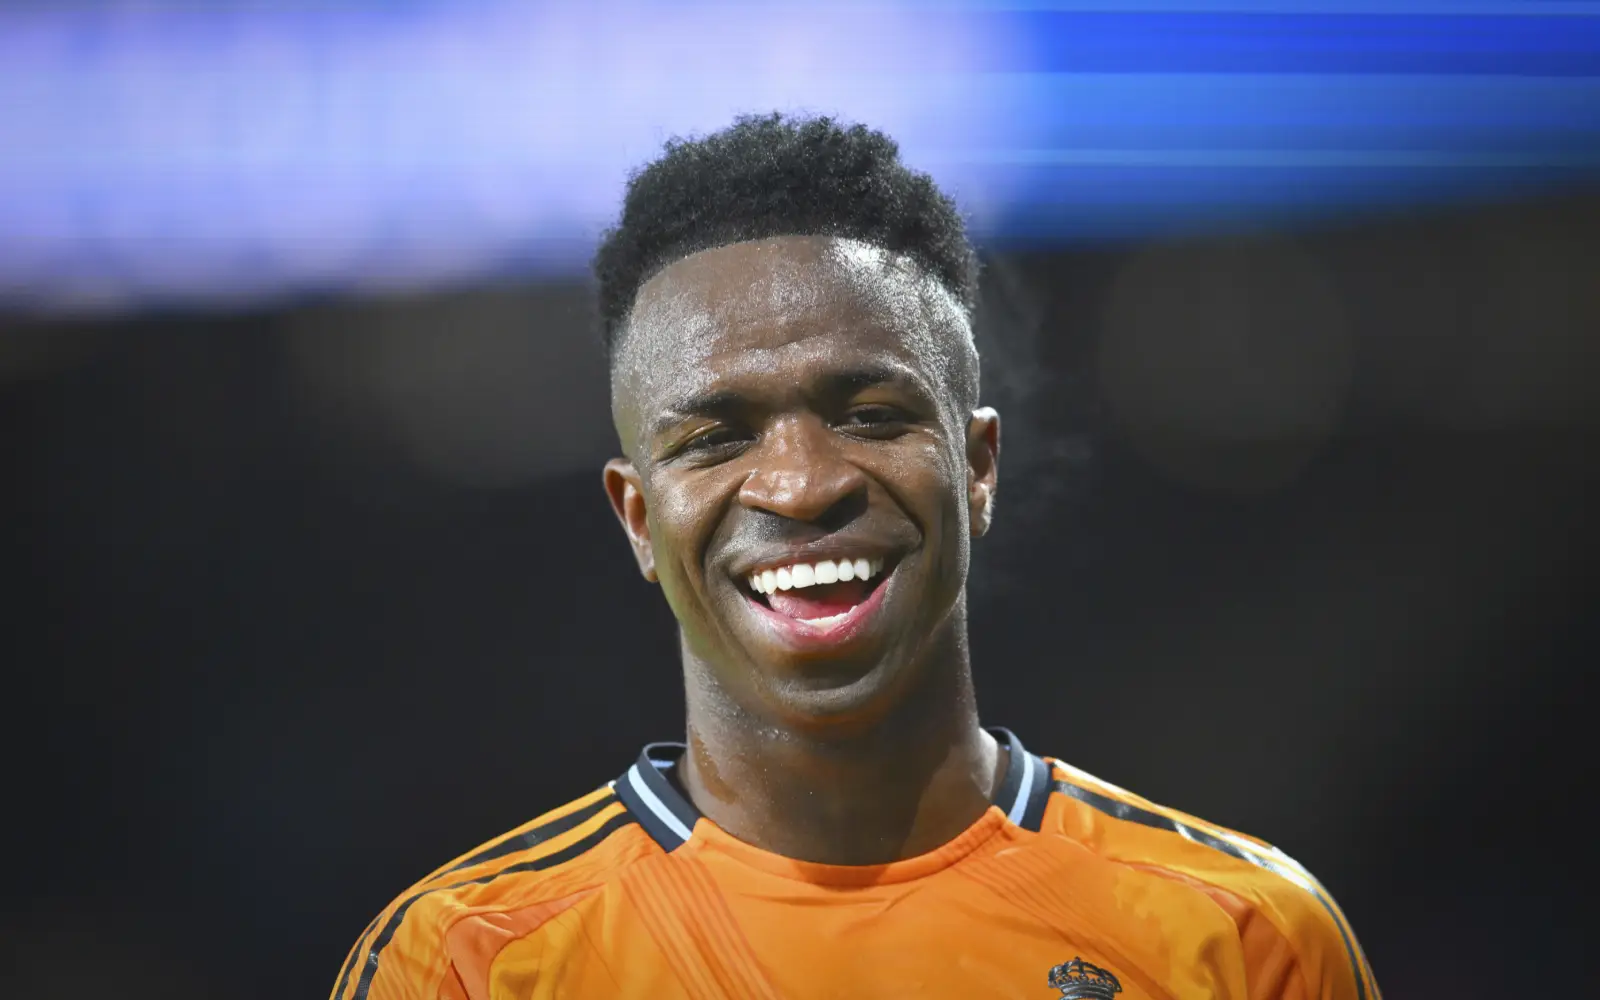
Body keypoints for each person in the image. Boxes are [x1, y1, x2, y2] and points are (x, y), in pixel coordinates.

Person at [330, 113, 1380, 1000]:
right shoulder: (470, 963)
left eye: (870, 414)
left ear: (977, 467)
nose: (800, 484)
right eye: (716, 438)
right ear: (638, 518)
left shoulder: (1243, 936)